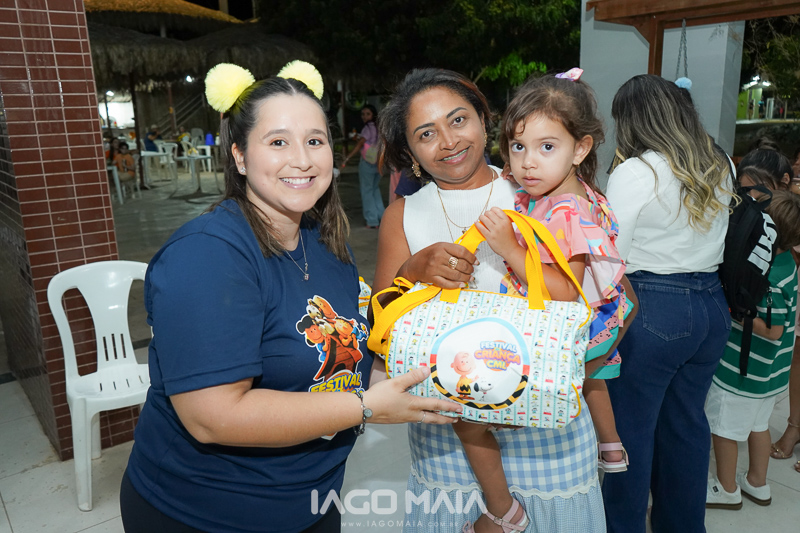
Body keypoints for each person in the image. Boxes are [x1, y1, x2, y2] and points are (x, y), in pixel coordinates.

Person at [119, 61, 461, 533]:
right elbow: (212, 417)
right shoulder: (207, 255)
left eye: (315, 141)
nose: (302, 160)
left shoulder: (324, 242)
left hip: (311, 498)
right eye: (278, 142)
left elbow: (343, 357)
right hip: (207, 512)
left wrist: (436, 372)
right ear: (239, 156)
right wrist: (366, 407)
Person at [374, 68, 607, 533]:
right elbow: (380, 322)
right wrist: (412, 270)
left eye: (458, 120)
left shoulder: (538, 187)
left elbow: (607, 297)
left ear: (484, 120)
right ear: (411, 153)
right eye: (426, 134)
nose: (448, 141)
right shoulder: (403, 214)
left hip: (543, 418)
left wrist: (579, 368)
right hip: (448, 426)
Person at [457, 70, 630, 532]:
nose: (528, 163)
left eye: (546, 147)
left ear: (581, 149)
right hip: (590, 329)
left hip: (551, 340)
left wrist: (507, 248)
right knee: (595, 380)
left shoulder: (566, 211)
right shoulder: (567, 193)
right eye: (518, 147)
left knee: (467, 421)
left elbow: (566, 292)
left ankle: (504, 513)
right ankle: (610, 445)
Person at [601, 74, 735, 532]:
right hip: (711, 305)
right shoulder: (719, 160)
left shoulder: (636, 171)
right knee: (687, 427)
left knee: (629, 433)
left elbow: (611, 258)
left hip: (653, 307)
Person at [706, 190, 800, 509]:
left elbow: (774, 329)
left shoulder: (769, 273)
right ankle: (757, 483)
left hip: (744, 372)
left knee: (724, 429)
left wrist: (736, 312)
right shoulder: (787, 262)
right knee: (758, 426)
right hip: (770, 375)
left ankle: (727, 488)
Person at [342, 104, 384, 228]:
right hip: (379, 162)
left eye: (367, 114)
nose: (364, 117)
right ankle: (382, 218)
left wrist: (348, 157)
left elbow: (360, 144)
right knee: (375, 189)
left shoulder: (367, 128)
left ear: (373, 115)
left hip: (367, 162)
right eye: (363, 114)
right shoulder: (380, 127)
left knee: (367, 191)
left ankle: (372, 221)